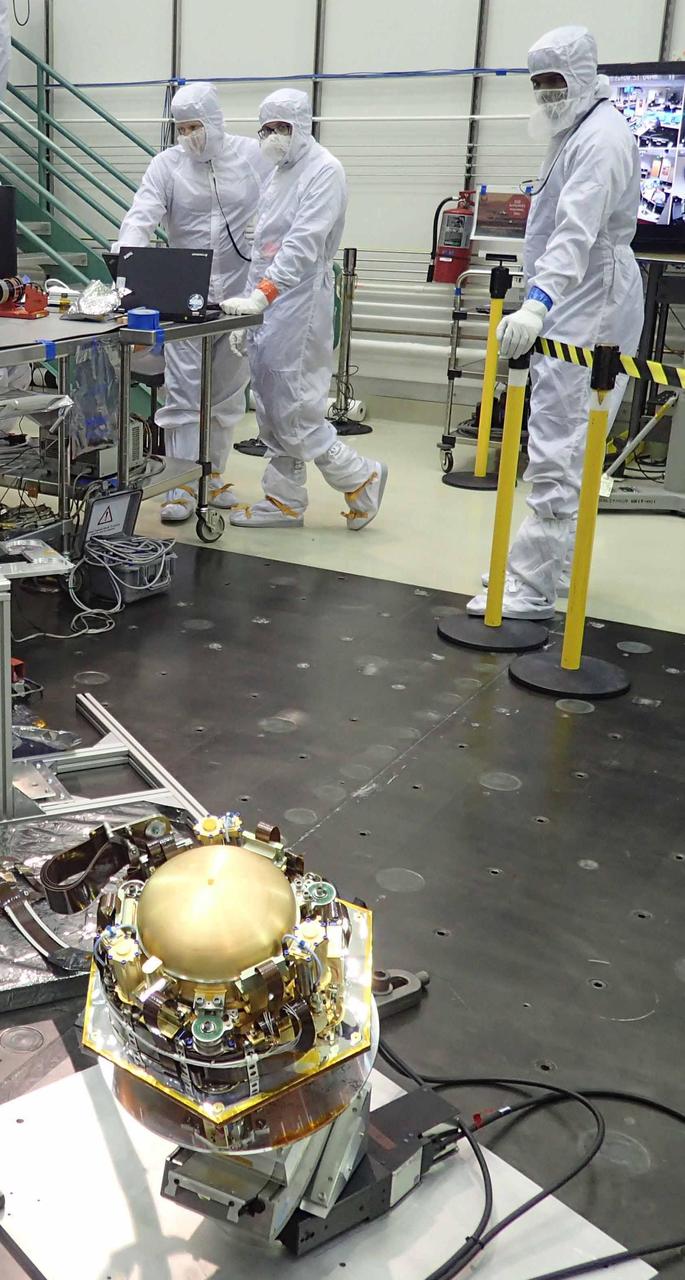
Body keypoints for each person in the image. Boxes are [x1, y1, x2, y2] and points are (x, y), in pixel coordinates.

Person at [468, 26, 644, 619]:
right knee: (561, 439)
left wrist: (538, 301)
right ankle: (551, 573)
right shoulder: (573, 131)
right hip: (573, 293)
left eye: (554, 82)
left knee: (559, 446)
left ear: (584, 76)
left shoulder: (601, 139)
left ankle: (532, 590)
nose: (545, 94)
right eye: (537, 83)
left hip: (590, 296)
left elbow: (575, 233)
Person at [221, 88, 387, 531]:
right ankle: (283, 501)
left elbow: (303, 244)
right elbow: (262, 249)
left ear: (302, 126)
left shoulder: (324, 170)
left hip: (300, 300)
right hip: (271, 298)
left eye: (282, 128)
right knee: (271, 404)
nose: (273, 136)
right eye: (267, 128)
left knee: (295, 406)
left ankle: (360, 476)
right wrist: (251, 307)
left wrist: (262, 296)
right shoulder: (279, 173)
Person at [114, 82, 269, 522]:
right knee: (183, 394)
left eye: (195, 126)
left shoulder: (251, 157)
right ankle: (180, 485)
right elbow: (141, 214)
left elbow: (280, 202)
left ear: (215, 121)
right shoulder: (168, 165)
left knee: (225, 394)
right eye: (181, 128)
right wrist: (126, 265)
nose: (189, 136)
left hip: (239, 299)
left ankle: (213, 475)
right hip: (185, 300)